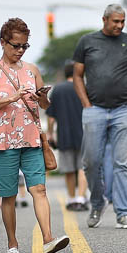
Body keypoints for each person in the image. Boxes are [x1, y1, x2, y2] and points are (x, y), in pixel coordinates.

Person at [0, 18, 70, 253]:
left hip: (31, 139)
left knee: (39, 189)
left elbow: (45, 105)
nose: (19, 50)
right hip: (3, 141)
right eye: (15, 45)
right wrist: (11, 98)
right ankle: (12, 242)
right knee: (8, 195)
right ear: (2, 42)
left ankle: (49, 239)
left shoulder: (32, 70)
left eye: (24, 46)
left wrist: (42, 97)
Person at [73, 4, 127, 229]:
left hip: (123, 109)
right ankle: (97, 202)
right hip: (95, 110)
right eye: (116, 21)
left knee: (121, 162)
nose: (120, 26)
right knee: (91, 161)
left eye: (122, 22)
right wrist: (86, 104)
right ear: (104, 19)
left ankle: (124, 213)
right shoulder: (87, 42)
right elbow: (77, 76)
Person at [46, 62, 89, 211]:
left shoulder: (58, 90)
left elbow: (51, 117)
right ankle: (81, 198)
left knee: (69, 169)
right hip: (84, 133)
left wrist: (51, 134)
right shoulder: (83, 87)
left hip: (64, 135)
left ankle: (71, 199)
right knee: (82, 168)